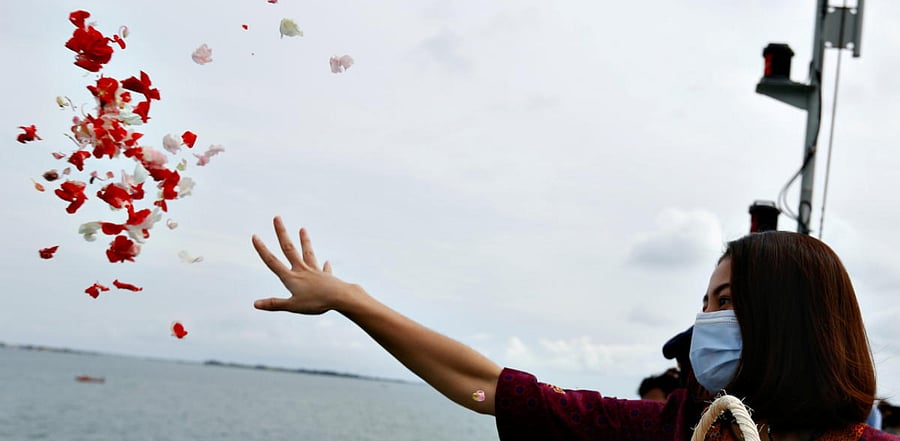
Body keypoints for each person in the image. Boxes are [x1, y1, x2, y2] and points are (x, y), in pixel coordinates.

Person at [251, 217, 899, 441]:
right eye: (704, 299)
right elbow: (485, 387)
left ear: (792, 319)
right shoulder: (665, 427)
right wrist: (352, 299)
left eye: (726, 299)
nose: (705, 319)